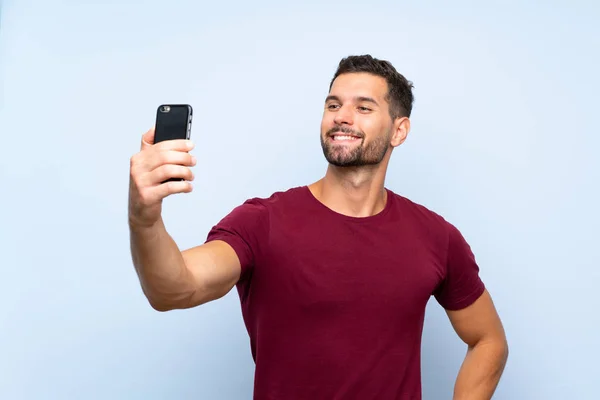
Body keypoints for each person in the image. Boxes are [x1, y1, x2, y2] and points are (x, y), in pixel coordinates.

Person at [128, 55, 509, 399]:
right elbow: (173, 290)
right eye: (333, 105)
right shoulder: (263, 222)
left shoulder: (436, 237)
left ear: (399, 130)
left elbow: (488, 340)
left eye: (363, 107)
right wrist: (144, 217)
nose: (342, 116)